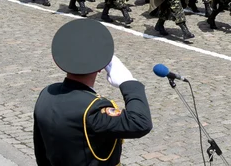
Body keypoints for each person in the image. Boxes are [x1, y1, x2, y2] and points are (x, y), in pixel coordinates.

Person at [33, 19, 152, 165]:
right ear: (101, 67)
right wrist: (128, 82)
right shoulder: (93, 110)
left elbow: (41, 152)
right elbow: (140, 122)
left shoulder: (46, 95)